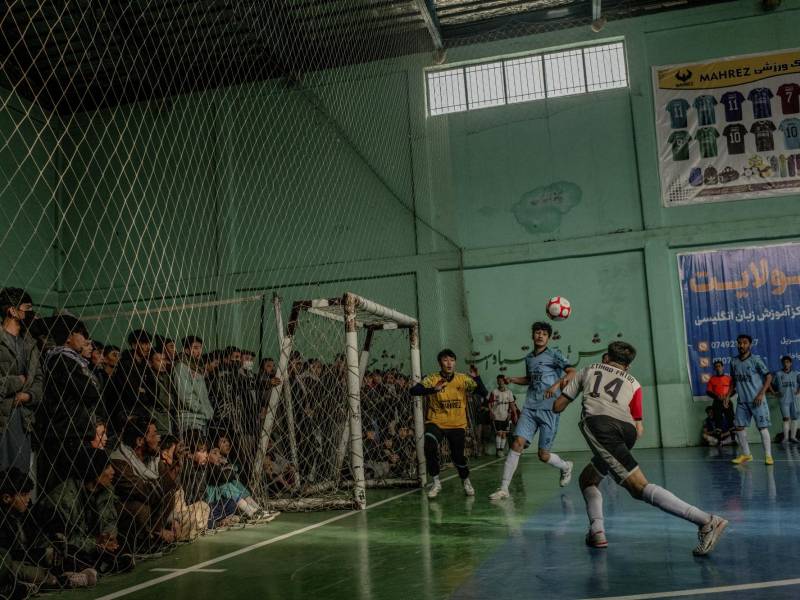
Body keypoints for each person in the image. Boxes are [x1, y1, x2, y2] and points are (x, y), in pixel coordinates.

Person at [553, 341, 727, 556]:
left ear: (605, 358)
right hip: (627, 432)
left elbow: (557, 406)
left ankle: (706, 521)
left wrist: (564, 386)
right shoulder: (634, 382)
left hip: (600, 427)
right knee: (588, 479)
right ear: (627, 366)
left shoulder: (588, 369)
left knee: (638, 487)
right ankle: (597, 531)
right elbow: (638, 425)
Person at [489, 322, 575, 500]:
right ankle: (504, 488)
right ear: (533, 335)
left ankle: (565, 466)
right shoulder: (529, 358)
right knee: (516, 443)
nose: (540, 336)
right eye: (537, 333)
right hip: (530, 407)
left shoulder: (554, 354)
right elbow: (530, 379)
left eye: (544, 333)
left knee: (543, 456)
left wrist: (556, 384)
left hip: (550, 408)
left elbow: (572, 372)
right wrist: (512, 379)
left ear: (548, 337)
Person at [409, 348, 487, 499]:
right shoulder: (432, 379)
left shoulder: (463, 379)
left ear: (455, 362)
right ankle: (436, 482)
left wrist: (477, 377)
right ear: (440, 363)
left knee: (458, 456)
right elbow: (414, 391)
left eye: (452, 360)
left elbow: (483, 392)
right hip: (436, 422)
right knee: (429, 444)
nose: (449, 363)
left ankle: (466, 480)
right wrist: (433, 389)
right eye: (445, 360)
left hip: (457, 424)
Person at [0, 288, 43, 474]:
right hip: (3, 415)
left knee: (21, 471)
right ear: (12, 310)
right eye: (27, 307)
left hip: (24, 417)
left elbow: (39, 379)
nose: (30, 312)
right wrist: (19, 381)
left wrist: (29, 395)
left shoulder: (29, 343)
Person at [729, 334, 774, 465]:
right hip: (742, 401)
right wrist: (727, 396)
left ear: (750, 344)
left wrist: (761, 394)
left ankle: (768, 456)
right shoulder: (733, 361)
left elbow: (769, 377)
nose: (741, 345)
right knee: (738, 427)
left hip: (757, 400)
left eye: (744, 343)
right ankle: (746, 455)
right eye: (739, 343)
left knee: (763, 428)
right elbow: (733, 381)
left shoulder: (756, 360)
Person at [173, 336, 214, 435]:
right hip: (189, 419)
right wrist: (204, 410)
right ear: (186, 349)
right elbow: (186, 396)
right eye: (195, 348)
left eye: (200, 348)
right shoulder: (181, 367)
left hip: (201, 418)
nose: (199, 351)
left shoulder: (196, 367)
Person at [772, 355, 800, 444]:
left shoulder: (796, 373)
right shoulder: (778, 374)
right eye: (784, 362)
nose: (786, 364)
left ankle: (793, 437)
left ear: (791, 363)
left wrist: (798, 391)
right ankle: (786, 438)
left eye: (788, 362)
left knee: (795, 418)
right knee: (786, 418)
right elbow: (771, 383)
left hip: (793, 399)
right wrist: (774, 392)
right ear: (782, 363)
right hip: (783, 400)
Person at [488, 375, 517, 457]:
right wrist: (491, 412)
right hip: (496, 415)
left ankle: (501, 450)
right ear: (497, 382)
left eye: (502, 381)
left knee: (504, 434)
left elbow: (512, 404)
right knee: (499, 433)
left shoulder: (509, 392)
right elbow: (489, 404)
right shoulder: (494, 392)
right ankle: (498, 450)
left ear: (504, 382)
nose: (500, 382)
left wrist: (514, 414)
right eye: (499, 381)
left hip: (505, 416)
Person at [706, 360, 734, 426]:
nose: (718, 368)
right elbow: (708, 391)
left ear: (723, 367)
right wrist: (717, 397)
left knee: (731, 421)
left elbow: (734, 390)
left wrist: (727, 397)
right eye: (716, 367)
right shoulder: (712, 379)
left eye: (719, 366)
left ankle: (732, 435)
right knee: (718, 423)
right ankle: (719, 434)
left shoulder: (729, 378)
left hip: (727, 401)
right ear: (714, 368)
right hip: (717, 403)